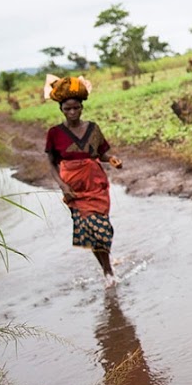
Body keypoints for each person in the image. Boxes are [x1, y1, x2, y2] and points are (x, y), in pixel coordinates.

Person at [44, 75, 123, 289]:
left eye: (76, 108)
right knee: (92, 230)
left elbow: (101, 154)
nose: (72, 113)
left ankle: (107, 269)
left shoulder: (93, 129)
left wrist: (111, 160)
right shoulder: (55, 133)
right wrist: (62, 185)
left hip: (96, 185)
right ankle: (107, 271)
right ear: (61, 109)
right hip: (74, 190)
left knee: (103, 229)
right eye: (67, 109)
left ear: (81, 108)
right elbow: (51, 162)